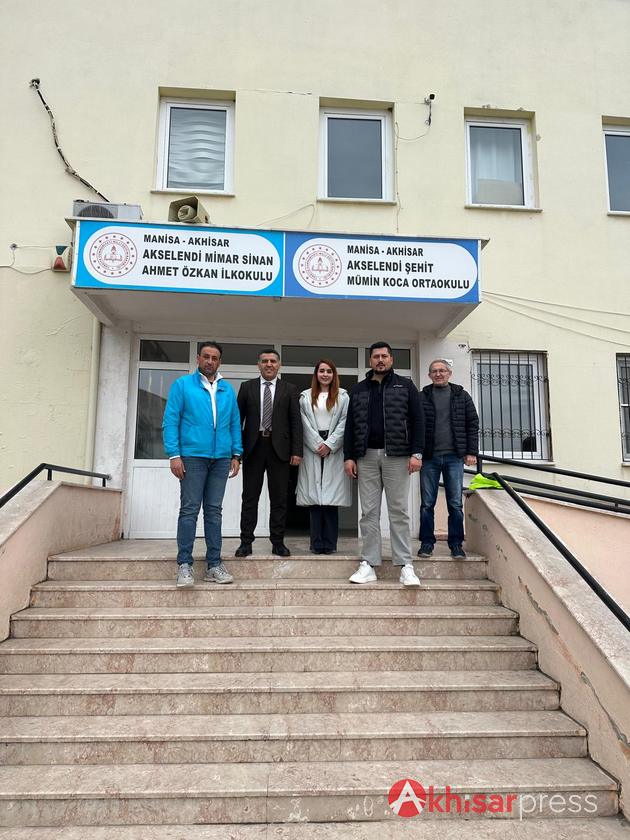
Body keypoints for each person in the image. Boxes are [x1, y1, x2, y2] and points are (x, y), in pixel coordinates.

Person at [162, 341, 243, 588]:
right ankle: (184, 565)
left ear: (219, 362)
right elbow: (170, 420)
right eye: (206, 356)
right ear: (198, 358)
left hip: (221, 459)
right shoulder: (182, 385)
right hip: (192, 456)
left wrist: (236, 454)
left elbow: (234, 423)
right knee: (189, 510)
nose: (210, 361)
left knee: (214, 511)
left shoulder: (227, 389)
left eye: (214, 358)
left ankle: (214, 565)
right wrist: (174, 455)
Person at [343, 341, 424, 586]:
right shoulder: (358, 389)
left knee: (398, 511)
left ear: (391, 359)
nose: (380, 360)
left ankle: (405, 565)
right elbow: (350, 426)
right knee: (369, 512)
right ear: (370, 360)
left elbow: (418, 421)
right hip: (365, 457)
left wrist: (417, 453)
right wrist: (349, 456)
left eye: (384, 356)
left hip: (397, 456)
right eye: (376, 356)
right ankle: (369, 564)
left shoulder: (406, 386)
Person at [235, 349, 303, 557]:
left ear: (279, 365)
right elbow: (237, 421)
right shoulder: (247, 387)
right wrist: (236, 452)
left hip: (280, 450)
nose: (269, 364)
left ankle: (278, 542)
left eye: (273, 361)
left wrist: (297, 451)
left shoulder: (289, 389)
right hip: (253, 448)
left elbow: (296, 422)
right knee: (249, 498)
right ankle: (246, 542)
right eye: (264, 361)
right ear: (258, 365)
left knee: (279, 498)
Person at [418, 358, 479, 559]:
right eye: (434, 371)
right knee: (427, 504)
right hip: (429, 458)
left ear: (449, 373)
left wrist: (471, 452)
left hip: (454, 458)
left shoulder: (461, 395)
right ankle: (427, 544)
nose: (438, 374)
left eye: (442, 370)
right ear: (429, 375)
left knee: (455, 504)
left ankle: (456, 545)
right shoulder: (422, 396)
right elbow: (413, 424)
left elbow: (472, 423)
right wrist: (415, 453)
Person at [296, 359, 352, 554]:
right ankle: (316, 543)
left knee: (330, 498)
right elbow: (303, 422)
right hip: (312, 445)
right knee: (315, 498)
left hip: (334, 446)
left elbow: (345, 422)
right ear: (316, 374)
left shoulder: (343, 396)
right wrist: (316, 443)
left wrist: (330, 444)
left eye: (329, 371)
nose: (325, 374)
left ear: (334, 374)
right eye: (322, 371)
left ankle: (329, 544)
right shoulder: (305, 396)